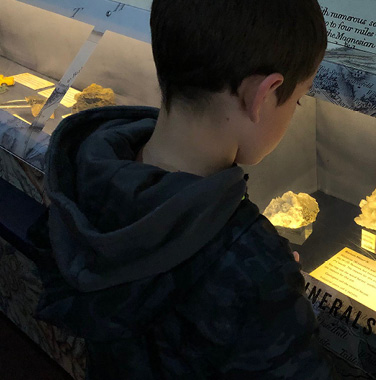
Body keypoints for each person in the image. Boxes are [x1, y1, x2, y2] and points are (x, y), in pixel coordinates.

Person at [32, 0, 336, 378]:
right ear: (263, 94)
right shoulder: (252, 261)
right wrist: (270, 281)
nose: (295, 109)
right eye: (298, 100)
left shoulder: (80, 171)